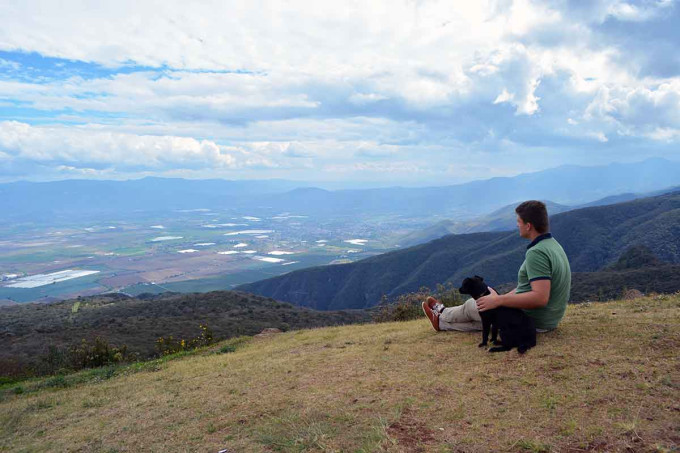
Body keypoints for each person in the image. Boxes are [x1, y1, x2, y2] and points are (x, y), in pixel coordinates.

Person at [422, 200, 571, 332]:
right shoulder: (553, 245)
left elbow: (540, 298)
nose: (517, 225)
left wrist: (498, 300)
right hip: (548, 320)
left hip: (533, 319)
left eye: (519, 221)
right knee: (487, 316)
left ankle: (443, 313)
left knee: (475, 305)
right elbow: (527, 287)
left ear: (528, 226)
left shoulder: (537, 253)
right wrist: (500, 298)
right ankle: (441, 323)